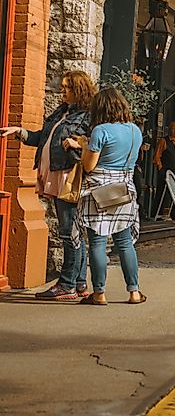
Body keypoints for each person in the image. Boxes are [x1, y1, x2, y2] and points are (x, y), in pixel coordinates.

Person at [0, 70, 95, 300]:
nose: (62, 91)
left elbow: (93, 147)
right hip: (54, 175)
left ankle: (67, 285)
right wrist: (19, 132)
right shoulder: (62, 112)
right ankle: (79, 284)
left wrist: (75, 144)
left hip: (67, 177)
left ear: (78, 89)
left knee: (68, 232)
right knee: (73, 232)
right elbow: (41, 137)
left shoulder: (86, 116)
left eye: (66, 87)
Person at [73, 87, 146, 305]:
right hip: (124, 190)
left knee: (97, 241)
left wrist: (84, 145)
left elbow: (89, 165)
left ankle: (99, 293)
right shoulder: (135, 130)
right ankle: (134, 292)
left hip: (99, 190)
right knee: (124, 242)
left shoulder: (100, 131)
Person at [152, 121, 175, 221]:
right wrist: (160, 168)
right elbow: (157, 156)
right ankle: (156, 214)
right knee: (161, 192)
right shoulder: (163, 141)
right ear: (169, 129)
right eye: (173, 129)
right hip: (165, 171)